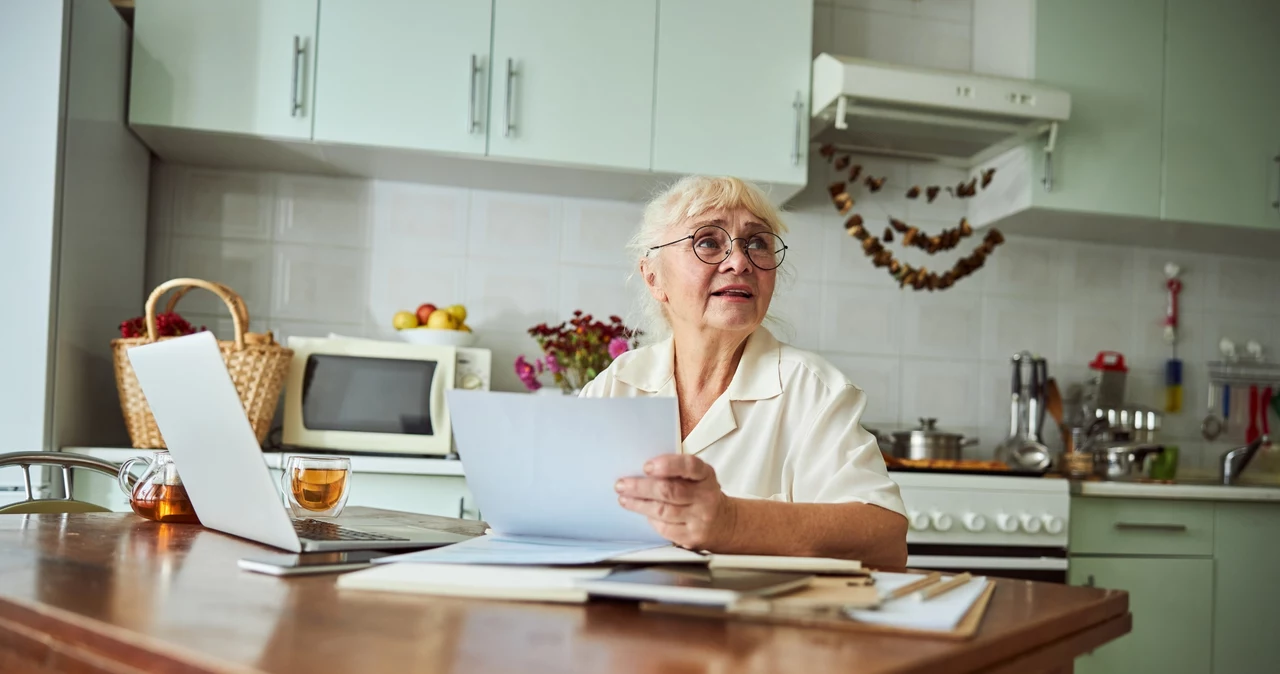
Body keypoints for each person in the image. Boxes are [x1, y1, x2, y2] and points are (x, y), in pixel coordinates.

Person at [580, 176, 907, 568]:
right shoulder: (617, 385)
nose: (740, 262)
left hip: (765, 625)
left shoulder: (812, 390)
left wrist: (732, 522)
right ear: (654, 278)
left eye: (757, 243)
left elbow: (885, 542)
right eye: (707, 242)